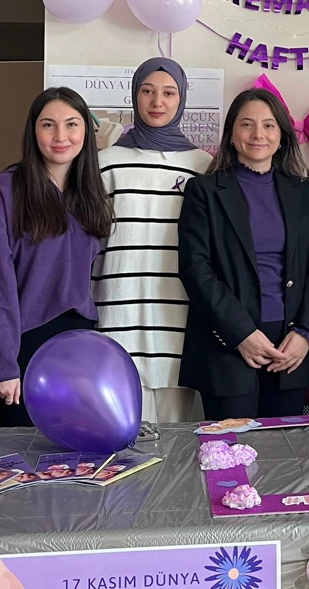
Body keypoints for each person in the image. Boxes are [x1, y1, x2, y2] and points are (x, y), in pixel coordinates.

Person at [177, 89, 309, 420]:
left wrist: (305, 333)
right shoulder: (204, 191)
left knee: (285, 449)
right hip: (227, 346)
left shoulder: (304, 191)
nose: (258, 134)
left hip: (290, 347)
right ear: (232, 134)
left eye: (269, 125)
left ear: (282, 136)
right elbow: (195, 268)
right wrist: (241, 334)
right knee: (230, 449)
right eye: (247, 124)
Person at [0, 87, 114, 427]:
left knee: (74, 449)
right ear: (33, 131)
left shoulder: (91, 194)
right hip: (24, 344)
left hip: (79, 344)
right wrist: (3, 365)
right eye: (48, 125)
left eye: (71, 124)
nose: (60, 136)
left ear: (86, 131)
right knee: (18, 452)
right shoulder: (4, 191)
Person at [92, 57, 213, 423]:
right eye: (147, 91)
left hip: (178, 317)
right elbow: (93, 242)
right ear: (135, 95)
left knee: (180, 434)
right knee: (121, 428)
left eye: (168, 93)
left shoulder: (202, 166)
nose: (157, 102)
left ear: (182, 98)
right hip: (118, 312)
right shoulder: (106, 162)